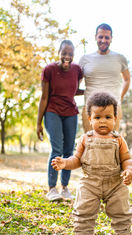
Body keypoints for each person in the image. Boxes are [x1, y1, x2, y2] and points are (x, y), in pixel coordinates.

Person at [51, 92, 132, 235]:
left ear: (115, 118)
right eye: (97, 117)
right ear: (89, 119)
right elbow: (76, 160)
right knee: (83, 210)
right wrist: (65, 163)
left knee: (121, 210)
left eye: (108, 117)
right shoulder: (85, 138)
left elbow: (126, 159)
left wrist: (129, 170)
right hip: (90, 183)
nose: (102, 121)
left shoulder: (118, 139)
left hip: (115, 184)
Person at [37, 40, 84, 201]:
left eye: (70, 54)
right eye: (64, 53)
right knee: (57, 149)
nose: (67, 57)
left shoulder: (77, 70)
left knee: (69, 151)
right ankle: (52, 189)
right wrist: (38, 123)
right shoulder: (49, 70)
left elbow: (73, 90)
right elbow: (44, 97)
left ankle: (64, 188)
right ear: (58, 52)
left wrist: (89, 91)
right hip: (52, 111)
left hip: (71, 112)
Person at [79, 23, 131, 132]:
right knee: (91, 145)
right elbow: (76, 83)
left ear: (111, 38)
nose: (103, 40)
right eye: (100, 37)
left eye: (107, 37)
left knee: (111, 144)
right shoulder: (85, 59)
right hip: (91, 109)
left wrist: (120, 97)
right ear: (95, 37)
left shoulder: (120, 58)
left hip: (113, 109)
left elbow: (127, 79)